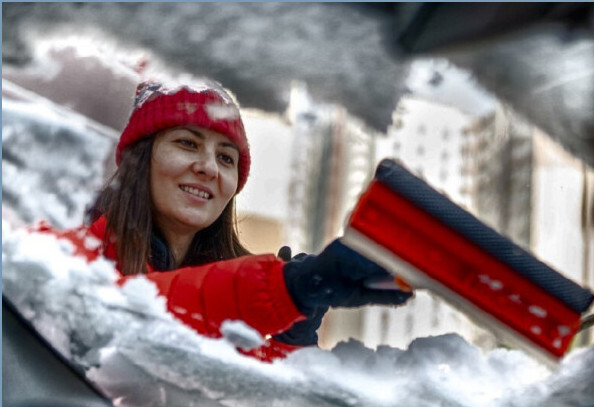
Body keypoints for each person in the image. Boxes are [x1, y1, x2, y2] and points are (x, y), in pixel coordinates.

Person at [37, 79, 412, 361]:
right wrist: (284, 290)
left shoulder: (234, 302)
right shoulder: (63, 255)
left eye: (226, 158)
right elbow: (126, 317)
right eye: (187, 143)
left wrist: (287, 340)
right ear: (140, 158)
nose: (208, 168)